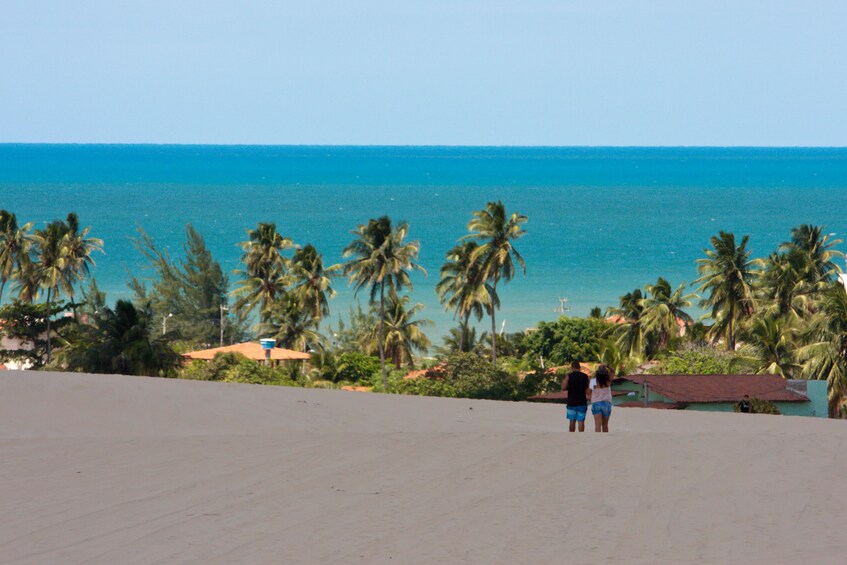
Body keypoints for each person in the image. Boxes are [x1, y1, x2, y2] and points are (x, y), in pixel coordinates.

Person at [561, 360, 590, 432]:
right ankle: (581, 435)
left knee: (572, 420)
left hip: (571, 402)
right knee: (581, 421)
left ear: (572, 367)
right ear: (579, 367)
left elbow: (563, 388)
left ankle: (572, 436)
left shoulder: (569, 376)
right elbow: (588, 391)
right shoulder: (585, 377)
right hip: (582, 402)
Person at [591, 364, 613, 433]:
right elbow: (613, 371)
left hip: (596, 403)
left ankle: (598, 440)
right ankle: (605, 440)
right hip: (606, 404)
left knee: (598, 425)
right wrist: (607, 365)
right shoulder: (608, 381)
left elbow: (588, 392)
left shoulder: (593, 381)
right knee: (605, 425)